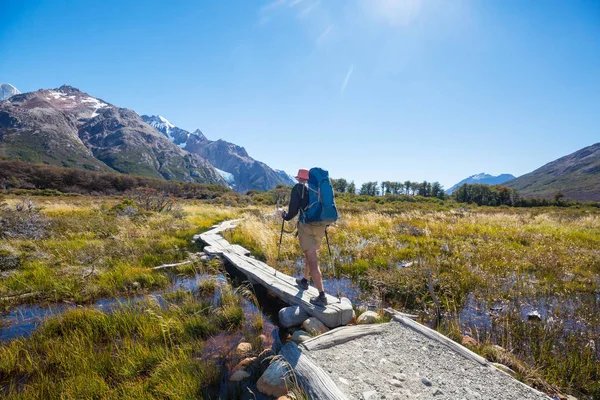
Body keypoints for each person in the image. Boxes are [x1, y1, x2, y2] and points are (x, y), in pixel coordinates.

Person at [280, 168, 328, 307]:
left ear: (299, 178)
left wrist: (285, 216)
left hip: (306, 226)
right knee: (311, 253)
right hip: (320, 227)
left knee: (312, 260)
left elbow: (293, 211)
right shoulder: (318, 189)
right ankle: (305, 280)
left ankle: (321, 295)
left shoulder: (299, 188)